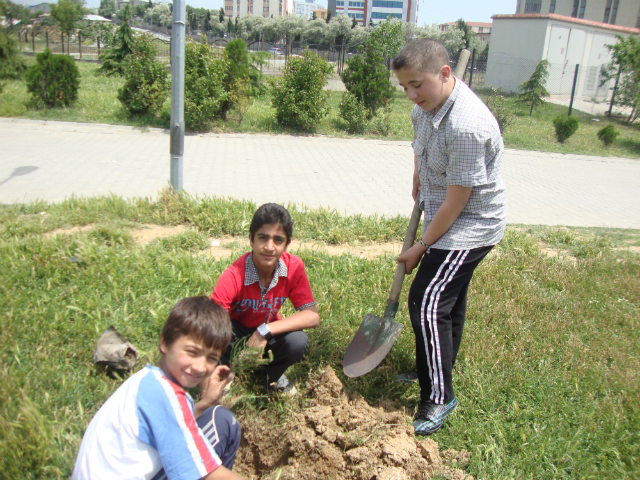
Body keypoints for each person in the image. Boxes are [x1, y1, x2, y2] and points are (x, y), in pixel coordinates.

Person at [392, 39, 507, 436]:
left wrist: (419, 248)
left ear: (445, 74)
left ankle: (440, 395)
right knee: (446, 300)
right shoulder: (425, 107)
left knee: (426, 300)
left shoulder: (467, 126)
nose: (411, 94)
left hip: (471, 224)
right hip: (443, 209)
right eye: (404, 86)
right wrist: (418, 177)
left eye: (417, 84)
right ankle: (433, 364)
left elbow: (457, 204)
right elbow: (419, 149)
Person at [72, 297, 245, 480]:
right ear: (164, 343)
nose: (201, 367)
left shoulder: (148, 380)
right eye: (192, 352)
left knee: (214, 415)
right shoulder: (166, 395)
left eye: (211, 358)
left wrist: (206, 403)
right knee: (223, 423)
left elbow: (173, 425)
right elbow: (205, 474)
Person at [211, 203, 319, 395]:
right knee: (215, 331)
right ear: (251, 240)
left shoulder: (293, 267)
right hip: (235, 333)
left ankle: (267, 378)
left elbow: (311, 316)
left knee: (297, 341)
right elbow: (212, 321)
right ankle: (224, 374)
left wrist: (264, 331)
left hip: (266, 331)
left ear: (287, 245)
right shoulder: (234, 275)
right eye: (263, 238)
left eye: (278, 240)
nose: (269, 247)